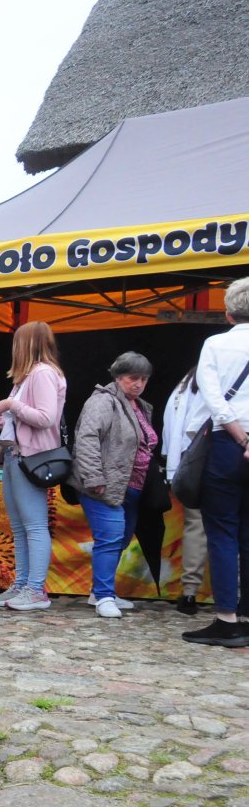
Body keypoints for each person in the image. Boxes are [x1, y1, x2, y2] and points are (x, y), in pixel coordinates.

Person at [184, 276, 249, 648]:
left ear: (228, 314)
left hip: (227, 443)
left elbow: (213, 399)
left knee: (222, 532)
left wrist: (242, 438)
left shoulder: (215, 344)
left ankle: (227, 619)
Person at [0, 321, 67, 612]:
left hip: (29, 458)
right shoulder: (28, 377)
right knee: (20, 527)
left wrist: (11, 405)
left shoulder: (43, 373)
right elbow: (25, 421)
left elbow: (45, 418)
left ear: (27, 344)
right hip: (15, 455)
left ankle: (35, 590)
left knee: (33, 525)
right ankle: (22, 585)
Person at [73, 352, 156, 618]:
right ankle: (104, 596)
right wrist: (94, 478)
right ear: (118, 377)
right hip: (105, 485)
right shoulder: (102, 401)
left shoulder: (141, 406)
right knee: (109, 538)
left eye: (144, 379)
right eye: (133, 378)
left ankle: (100, 591)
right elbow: (87, 439)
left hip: (131, 487)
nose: (139, 384)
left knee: (120, 539)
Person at [162, 366, 209, 615]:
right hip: (228, 457)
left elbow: (170, 425)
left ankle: (190, 592)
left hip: (192, 462)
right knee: (235, 527)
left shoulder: (187, 383)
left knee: (195, 526)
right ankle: (236, 595)